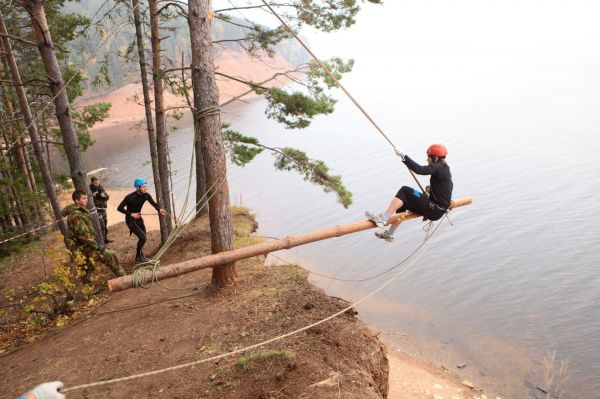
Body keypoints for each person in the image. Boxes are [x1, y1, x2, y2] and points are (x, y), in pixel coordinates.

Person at [366, 144, 453, 242]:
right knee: (404, 201)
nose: (427, 160)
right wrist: (431, 190)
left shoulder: (438, 167)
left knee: (405, 190)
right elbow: (444, 189)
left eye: (428, 157)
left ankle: (383, 219)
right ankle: (390, 233)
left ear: (435, 158)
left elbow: (420, 170)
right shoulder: (444, 168)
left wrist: (404, 156)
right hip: (436, 209)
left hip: (433, 209)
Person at [61, 190, 126, 280]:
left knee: (88, 267)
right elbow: (85, 236)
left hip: (83, 246)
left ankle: (88, 290)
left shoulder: (80, 211)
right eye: (83, 198)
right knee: (110, 256)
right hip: (84, 246)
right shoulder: (76, 215)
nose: (86, 200)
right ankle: (124, 278)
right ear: (77, 201)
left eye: (86, 198)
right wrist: (98, 247)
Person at [117, 178, 167, 262]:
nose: (145, 188)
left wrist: (160, 210)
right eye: (143, 187)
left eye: (146, 187)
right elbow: (119, 208)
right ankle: (139, 256)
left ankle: (138, 256)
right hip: (130, 220)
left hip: (139, 218)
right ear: (137, 188)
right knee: (143, 238)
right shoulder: (130, 197)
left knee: (143, 237)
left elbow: (154, 204)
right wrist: (132, 214)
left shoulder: (146, 195)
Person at [89, 176, 112, 243]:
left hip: (103, 209)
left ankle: (105, 239)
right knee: (101, 225)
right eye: (95, 183)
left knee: (105, 224)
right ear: (92, 182)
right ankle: (101, 241)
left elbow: (107, 197)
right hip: (96, 210)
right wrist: (92, 195)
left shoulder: (101, 188)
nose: (97, 184)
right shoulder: (89, 189)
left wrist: (104, 196)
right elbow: (86, 199)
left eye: (98, 182)